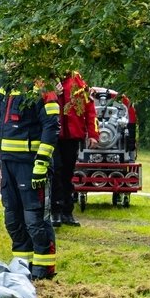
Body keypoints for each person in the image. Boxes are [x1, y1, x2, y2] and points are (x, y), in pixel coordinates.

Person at [0, 77, 60, 281]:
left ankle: (43, 269)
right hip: (7, 162)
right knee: (12, 219)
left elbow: (51, 127)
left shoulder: (44, 88)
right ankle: (22, 265)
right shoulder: (5, 87)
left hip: (31, 163)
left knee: (35, 219)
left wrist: (42, 162)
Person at [51, 70, 97, 227]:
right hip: (52, 135)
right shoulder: (46, 78)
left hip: (72, 135)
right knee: (55, 171)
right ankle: (55, 211)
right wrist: (52, 93)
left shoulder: (77, 81)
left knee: (67, 174)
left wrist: (93, 134)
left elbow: (89, 108)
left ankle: (66, 212)